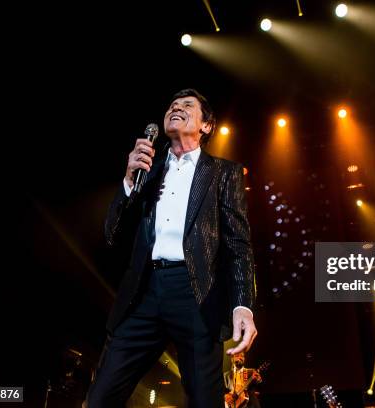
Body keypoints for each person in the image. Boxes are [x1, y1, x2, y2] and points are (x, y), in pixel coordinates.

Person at [86, 89, 257, 408]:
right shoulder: (145, 169)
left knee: (205, 401)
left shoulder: (223, 173)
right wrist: (128, 181)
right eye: (172, 105)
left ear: (206, 125)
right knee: (100, 398)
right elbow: (113, 235)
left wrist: (242, 305)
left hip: (196, 294)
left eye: (187, 106)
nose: (176, 108)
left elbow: (238, 244)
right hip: (143, 292)